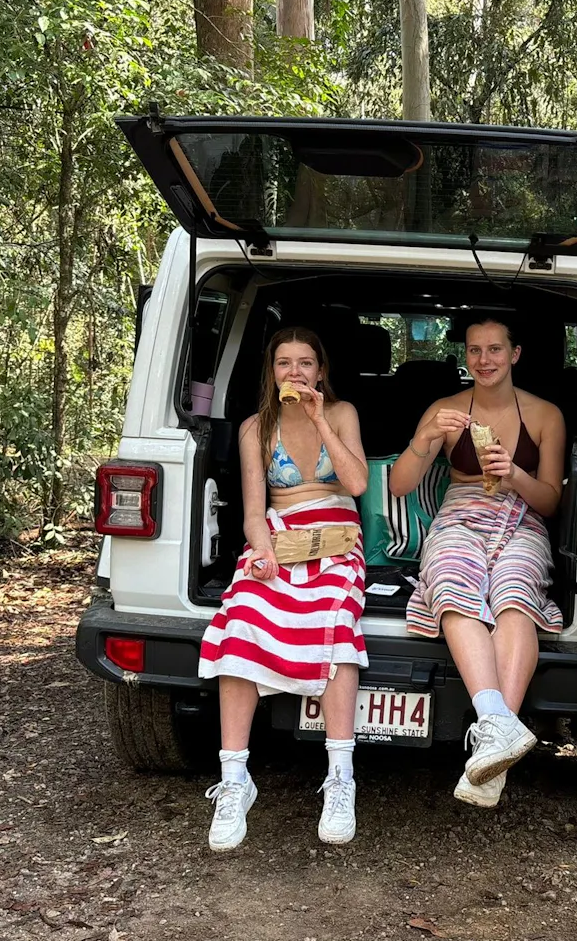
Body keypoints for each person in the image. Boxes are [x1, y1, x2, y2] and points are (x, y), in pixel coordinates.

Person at [197, 327, 369, 850]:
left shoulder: (341, 414)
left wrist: (318, 416)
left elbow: (357, 484)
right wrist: (264, 551)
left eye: (305, 363)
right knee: (241, 617)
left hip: (337, 538)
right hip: (279, 538)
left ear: (320, 371)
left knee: (335, 621)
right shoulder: (256, 427)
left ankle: (340, 777)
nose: (295, 372)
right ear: (271, 371)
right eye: (284, 363)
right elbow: (252, 512)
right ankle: (234, 781)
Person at [387, 316, 567, 808]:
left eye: (494, 349)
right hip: (460, 515)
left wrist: (514, 476)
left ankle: (492, 753)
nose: (483, 360)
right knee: (449, 578)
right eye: (473, 351)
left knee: (514, 596)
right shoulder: (444, 409)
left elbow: (550, 501)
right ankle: (496, 728)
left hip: (522, 517)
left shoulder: (546, 415)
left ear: (515, 354)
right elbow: (399, 485)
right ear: (464, 356)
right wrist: (424, 439)